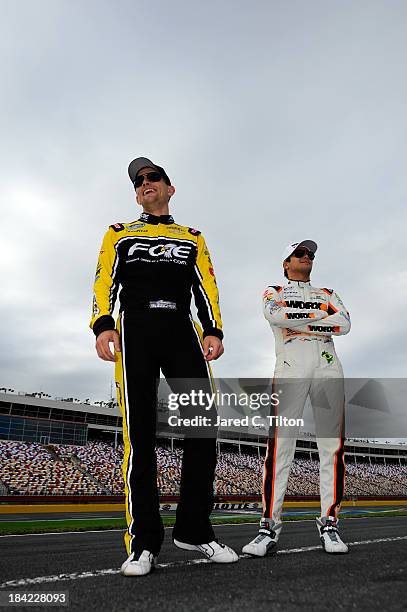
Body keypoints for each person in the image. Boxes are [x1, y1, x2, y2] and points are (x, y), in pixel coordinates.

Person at [90, 157, 238, 576]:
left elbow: (206, 285)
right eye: (138, 181)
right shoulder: (119, 233)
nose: (144, 183)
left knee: (202, 428)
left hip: (181, 330)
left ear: (170, 188)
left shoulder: (192, 237)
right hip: (135, 330)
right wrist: (102, 325)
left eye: (152, 177)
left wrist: (214, 330)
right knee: (141, 435)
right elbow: (103, 281)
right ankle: (143, 543)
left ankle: (194, 530)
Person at [242, 240, 351, 556]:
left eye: (311, 255)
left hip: (329, 366)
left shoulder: (328, 293)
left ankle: (329, 523)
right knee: (280, 445)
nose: (307, 258)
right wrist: (319, 319)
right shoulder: (273, 290)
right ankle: (268, 527)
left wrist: (302, 319)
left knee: (332, 446)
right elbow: (277, 316)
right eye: (300, 254)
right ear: (286, 262)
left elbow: (343, 324)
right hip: (290, 366)